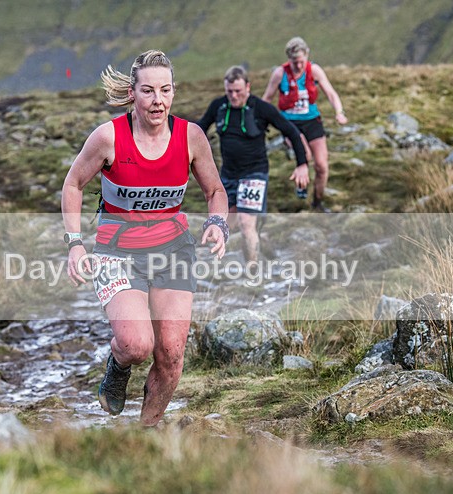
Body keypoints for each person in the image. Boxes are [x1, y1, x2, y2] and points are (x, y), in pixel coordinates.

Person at [61, 50, 228, 427]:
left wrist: (218, 223)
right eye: (149, 91)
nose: (158, 100)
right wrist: (74, 243)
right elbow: (72, 184)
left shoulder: (190, 137)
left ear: (173, 92)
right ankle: (118, 365)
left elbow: (216, 191)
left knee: (170, 354)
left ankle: (144, 433)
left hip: (173, 250)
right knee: (137, 345)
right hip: (116, 252)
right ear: (133, 93)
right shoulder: (108, 138)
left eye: (165, 90)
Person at [197, 65, 308, 262]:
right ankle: (261, 246)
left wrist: (302, 165)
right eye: (229, 91)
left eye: (238, 91)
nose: (233, 95)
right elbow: (198, 130)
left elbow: (291, 131)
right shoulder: (219, 106)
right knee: (224, 225)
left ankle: (252, 273)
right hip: (228, 175)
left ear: (248, 87)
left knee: (246, 222)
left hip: (254, 174)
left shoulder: (261, 108)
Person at [262, 36, 348, 212]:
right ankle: (301, 185)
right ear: (289, 59)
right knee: (305, 155)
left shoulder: (314, 70)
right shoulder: (280, 74)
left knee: (322, 166)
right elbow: (267, 99)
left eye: (301, 61)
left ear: (307, 56)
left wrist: (339, 112)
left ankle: (317, 202)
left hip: (312, 121)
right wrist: (260, 121)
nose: (298, 66)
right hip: (290, 123)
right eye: (294, 62)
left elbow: (331, 93)